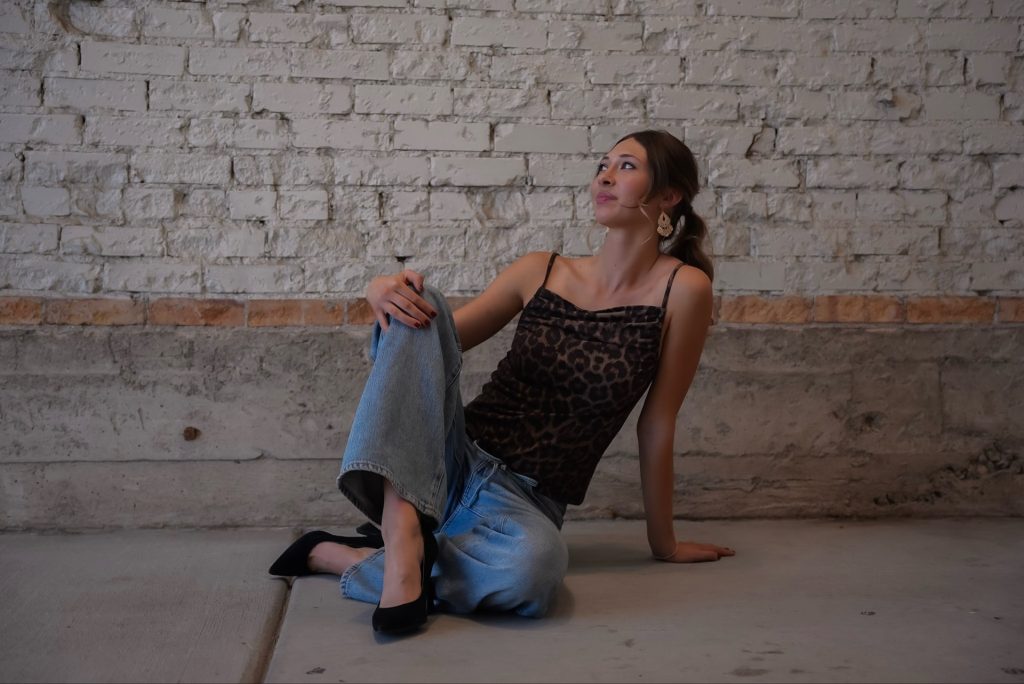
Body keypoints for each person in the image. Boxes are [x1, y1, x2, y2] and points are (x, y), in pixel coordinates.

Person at [269, 129, 735, 635]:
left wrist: (664, 545)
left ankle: (348, 557)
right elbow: (433, 341)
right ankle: (402, 530)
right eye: (603, 164)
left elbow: (657, 422)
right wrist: (380, 291)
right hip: (447, 461)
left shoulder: (684, 290)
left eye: (626, 166)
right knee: (418, 305)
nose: (604, 175)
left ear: (669, 195)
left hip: (525, 503)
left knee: (534, 573)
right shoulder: (541, 270)